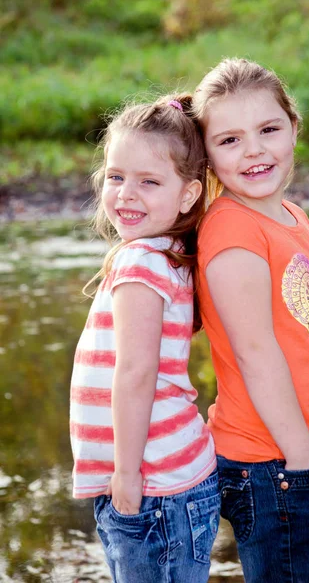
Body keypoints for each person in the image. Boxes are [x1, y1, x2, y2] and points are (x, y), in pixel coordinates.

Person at [190, 58, 309, 583]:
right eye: (230, 140)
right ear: (208, 157)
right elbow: (256, 355)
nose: (255, 150)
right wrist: (303, 463)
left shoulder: (291, 215)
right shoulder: (233, 233)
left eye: (268, 129)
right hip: (277, 464)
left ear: (293, 128)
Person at [69, 95, 220, 583]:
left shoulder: (141, 262)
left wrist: (127, 476)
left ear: (188, 194)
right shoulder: (166, 252)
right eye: (116, 177)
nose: (127, 194)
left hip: (151, 486)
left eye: (149, 182)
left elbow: (136, 374)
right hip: (169, 480)